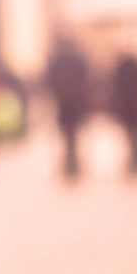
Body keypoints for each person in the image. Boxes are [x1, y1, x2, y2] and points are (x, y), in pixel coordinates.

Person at [45, 38, 90, 179]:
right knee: (71, 135)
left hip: (66, 104)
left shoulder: (58, 61)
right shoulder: (75, 61)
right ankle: (71, 163)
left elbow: (50, 81)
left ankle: (70, 163)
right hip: (72, 104)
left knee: (69, 135)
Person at [108, 52, 137, 177]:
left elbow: (114, 89)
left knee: (131, 136)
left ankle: (134, 162)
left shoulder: (121, 70)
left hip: (127, 109)